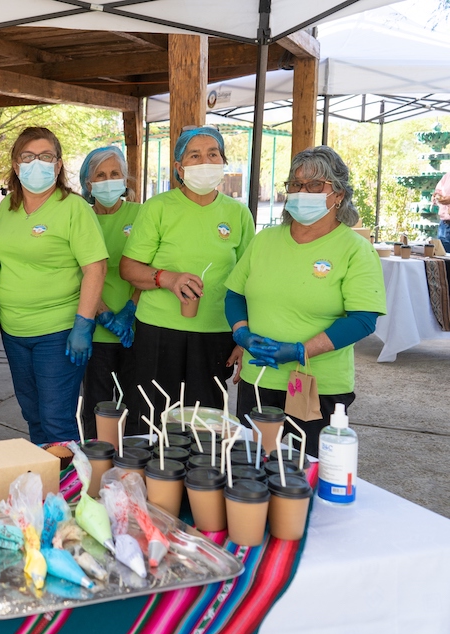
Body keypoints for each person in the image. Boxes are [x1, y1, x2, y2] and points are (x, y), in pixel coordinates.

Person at [226, 146, 386, 455]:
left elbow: (363, 319)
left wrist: (300, 351)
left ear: (339, 194)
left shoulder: (355, 249)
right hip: (259, 378)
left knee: (307, 470)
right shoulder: (265, 240)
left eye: (315, 185)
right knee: (251, 466)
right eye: (296, 184)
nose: (303, 192)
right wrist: (241, 333)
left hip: (320, 385)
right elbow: (234, 294)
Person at [119, 126, 254, 426]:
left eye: (213, 154)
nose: (205, 161)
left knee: (205, 425)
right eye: (195, 155)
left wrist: (244, 338)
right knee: (151, 420)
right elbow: (128, 268)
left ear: (223, 162)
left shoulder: (238, 214)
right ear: (179, 168)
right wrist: (167, 279)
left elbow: (249, 283)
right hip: (158, 332)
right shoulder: (158, 208)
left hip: (215, 333)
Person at [0, 127, 108, 445]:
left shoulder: (73, 208)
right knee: (33, 415)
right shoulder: (7, 207)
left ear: (58, 165)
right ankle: (47, 474)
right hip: (14, 331)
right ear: (16, 165)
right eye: (28, 156)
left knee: (57, 419)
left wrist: (83, 324)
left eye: (45, 156)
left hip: (57, 332)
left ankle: (71, 477)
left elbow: (96, 268)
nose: (36, 163)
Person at [77, 146, 143, 435]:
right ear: (88, 183)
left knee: (137, 409)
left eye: (115, 173)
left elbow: (153, 264)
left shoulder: (142, 214)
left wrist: (130, 309)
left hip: (135, 329)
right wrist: (103, 314)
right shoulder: (80, 216)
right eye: (100, 175)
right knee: (98, 409)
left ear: (125, 178)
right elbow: (77, 271)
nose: (108, 180)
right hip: (95, 332)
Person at [433, 170, 450, 251]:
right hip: (444, 225)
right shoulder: (447, 176)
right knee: (442, 255)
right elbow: (437, 192)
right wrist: (437, 196)